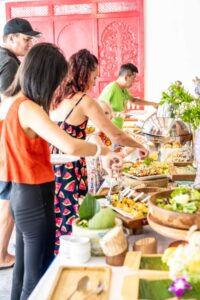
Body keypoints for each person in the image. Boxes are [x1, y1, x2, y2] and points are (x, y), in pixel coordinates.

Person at [0, 43, 122, 300]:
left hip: (21, 196)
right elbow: (68, 143)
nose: (57, 87)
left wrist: (90, 152)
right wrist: (104, 152)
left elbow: (43, 154)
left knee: (22, 274)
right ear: (44, 76)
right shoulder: (29, 108)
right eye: (56, 80)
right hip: (35, 198)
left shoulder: (10, 102)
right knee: (38, 276)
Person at [50, 49, 148, 254]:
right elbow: (116, 135)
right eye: (94, 77)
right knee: (74, 219)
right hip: (71, 168)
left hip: (50, 166)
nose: (95, 83)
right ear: (84, 74)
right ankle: (73, 260)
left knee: (56, 217)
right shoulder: (83, 100)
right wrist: (141, 146)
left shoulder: (57, 96)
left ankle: (58, 262)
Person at [0, 17, 41, 270]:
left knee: (8, 195)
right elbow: (10, 103)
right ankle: (1, 254)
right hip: (6, 135)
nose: (29, 44)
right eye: (26, 39)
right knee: (11, 196)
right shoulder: (8, 63)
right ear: (11, 38)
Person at [86, 100, 136, 194]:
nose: (103, 116)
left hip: (110, 177)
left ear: (111, 116)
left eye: (106, 113)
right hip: (95, 178)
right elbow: (98, 145)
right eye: (99, 112)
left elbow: (130, 143)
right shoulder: (91, 134)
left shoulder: (113, 135)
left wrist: (125, 151)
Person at [98, 63, 158, 128]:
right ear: (126, 77)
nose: (134, 81)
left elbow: (134, 100)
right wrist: (118, 114)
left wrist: (153, 104)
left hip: (118, 128)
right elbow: (99, 107)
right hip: (109, 129)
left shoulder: (123, 89)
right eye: (133, 78)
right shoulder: (112, 87)